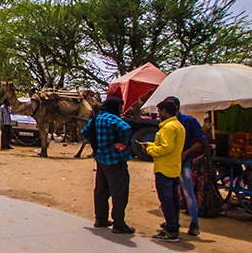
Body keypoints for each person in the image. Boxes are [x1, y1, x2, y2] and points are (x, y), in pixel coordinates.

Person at [80, 97, 135, 234]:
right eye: (120, 108)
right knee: (120, 191)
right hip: (115, 159)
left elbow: (84, 133)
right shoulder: (112, 118)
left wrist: (97, 144)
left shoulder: (96, 119)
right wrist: (122, 143)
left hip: (100, 159)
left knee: (101, 190)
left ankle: (101, 219)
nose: (121, 111)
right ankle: (118, 223)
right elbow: (126, 128)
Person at [142, 97, 186, 242]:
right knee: (173, 200)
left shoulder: (168, 127)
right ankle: (173, 225)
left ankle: (171, 231)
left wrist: (150, 148)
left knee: (166, 200)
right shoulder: (178, 125)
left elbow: (167, 147)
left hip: (164, 168)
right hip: (174, 167)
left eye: (159, 110)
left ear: (164, 111)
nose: (158, 113)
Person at [168, 96, 207, 236]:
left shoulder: (189, 122)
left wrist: (185, 153)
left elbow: (199, 142)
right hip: (169, 163)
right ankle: (172, 222)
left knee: (187, 191)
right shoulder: (166, 122)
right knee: (171, 192)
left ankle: (194, 222)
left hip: (184, 161)